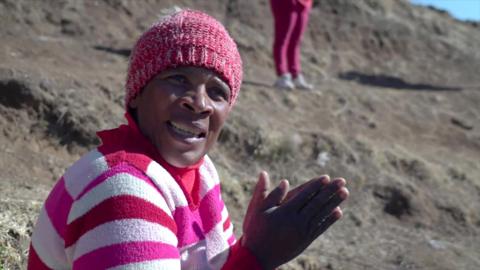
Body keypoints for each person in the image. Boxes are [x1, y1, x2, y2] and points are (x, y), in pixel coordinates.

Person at [27, 8, 348, 270]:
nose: (199, 102)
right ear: (136, 94)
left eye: (217, 92)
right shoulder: (121, 190)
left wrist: (250, 247)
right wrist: (258, 258)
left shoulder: (201, 173)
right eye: (178, 78)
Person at [271, 0, 314, 90]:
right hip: (286, 2)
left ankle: (295, 75)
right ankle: (283, 75)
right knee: (283, 39)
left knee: (295, 41)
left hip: (305, 2)